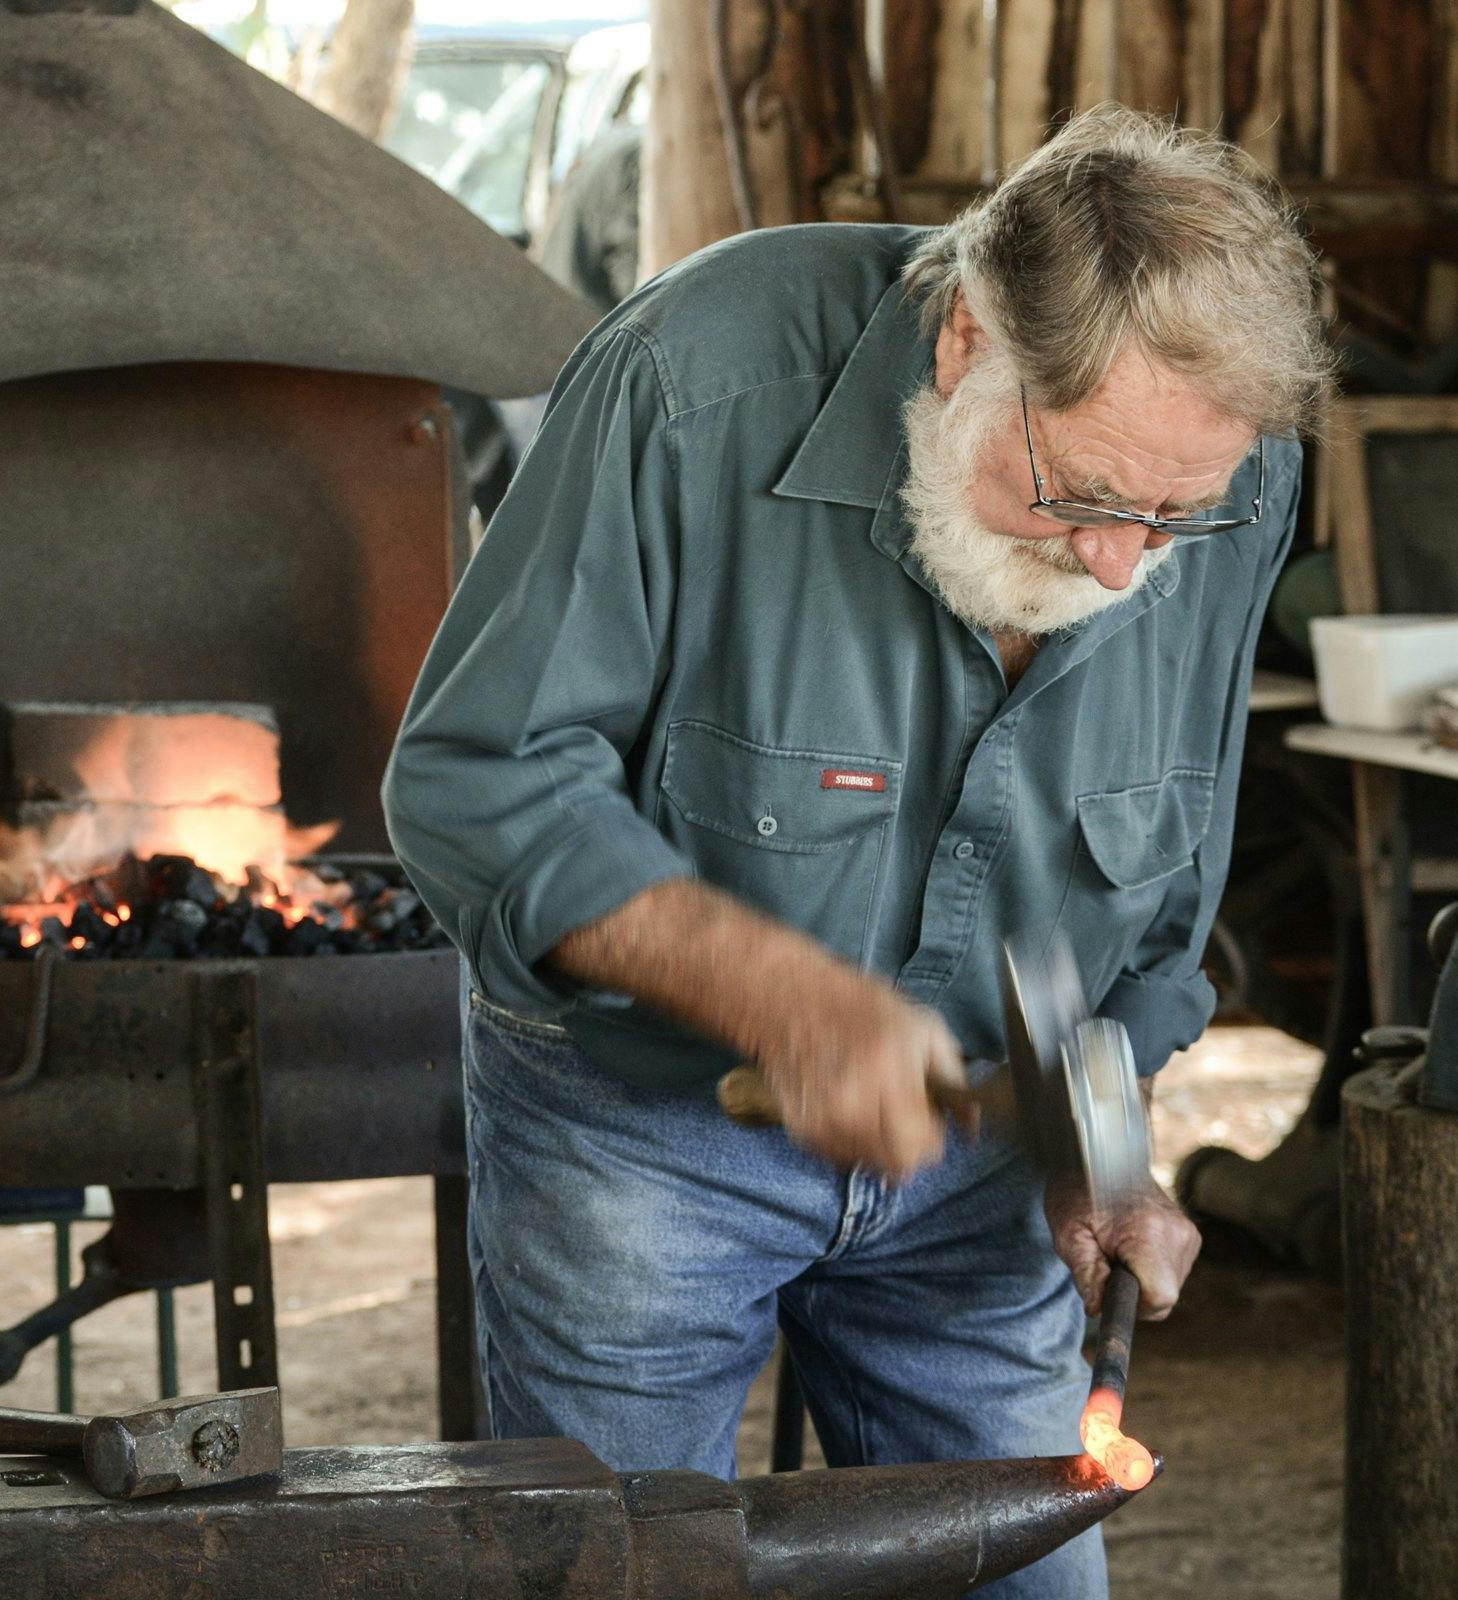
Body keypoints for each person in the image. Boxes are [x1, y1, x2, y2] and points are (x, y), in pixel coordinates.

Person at [383, 105, 1333, 1598]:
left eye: (1176, 516)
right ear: (966, 345)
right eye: (1081, 491)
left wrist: (1107, 1146)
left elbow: (1152, 911)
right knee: (634, 1576)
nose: (1119, 561)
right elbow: (479, 778)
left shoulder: (1222, 484)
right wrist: (785, 999)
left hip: (981, 1167)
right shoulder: (695, 382)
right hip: (646, 1136)